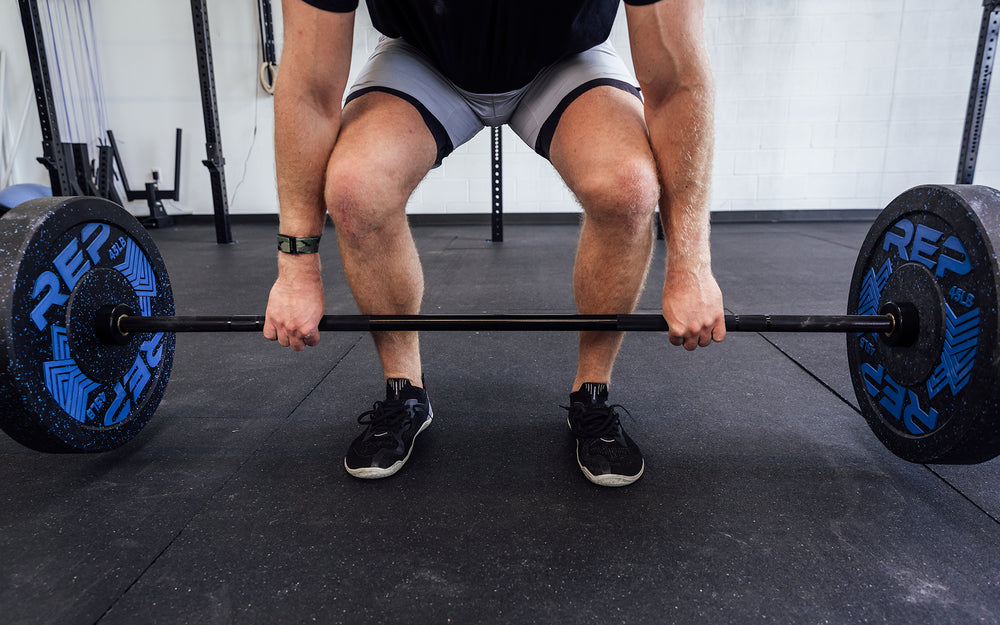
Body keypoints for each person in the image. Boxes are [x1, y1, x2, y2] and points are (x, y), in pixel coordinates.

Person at [263, 0, 726, 487]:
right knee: (356, 190)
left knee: (628, 189)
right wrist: (297, 266)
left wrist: (691, 263)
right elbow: (311, 88)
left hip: (564, 56)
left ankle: (592, 394)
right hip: (424, 58)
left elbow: (675, 83)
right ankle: (404, 392)